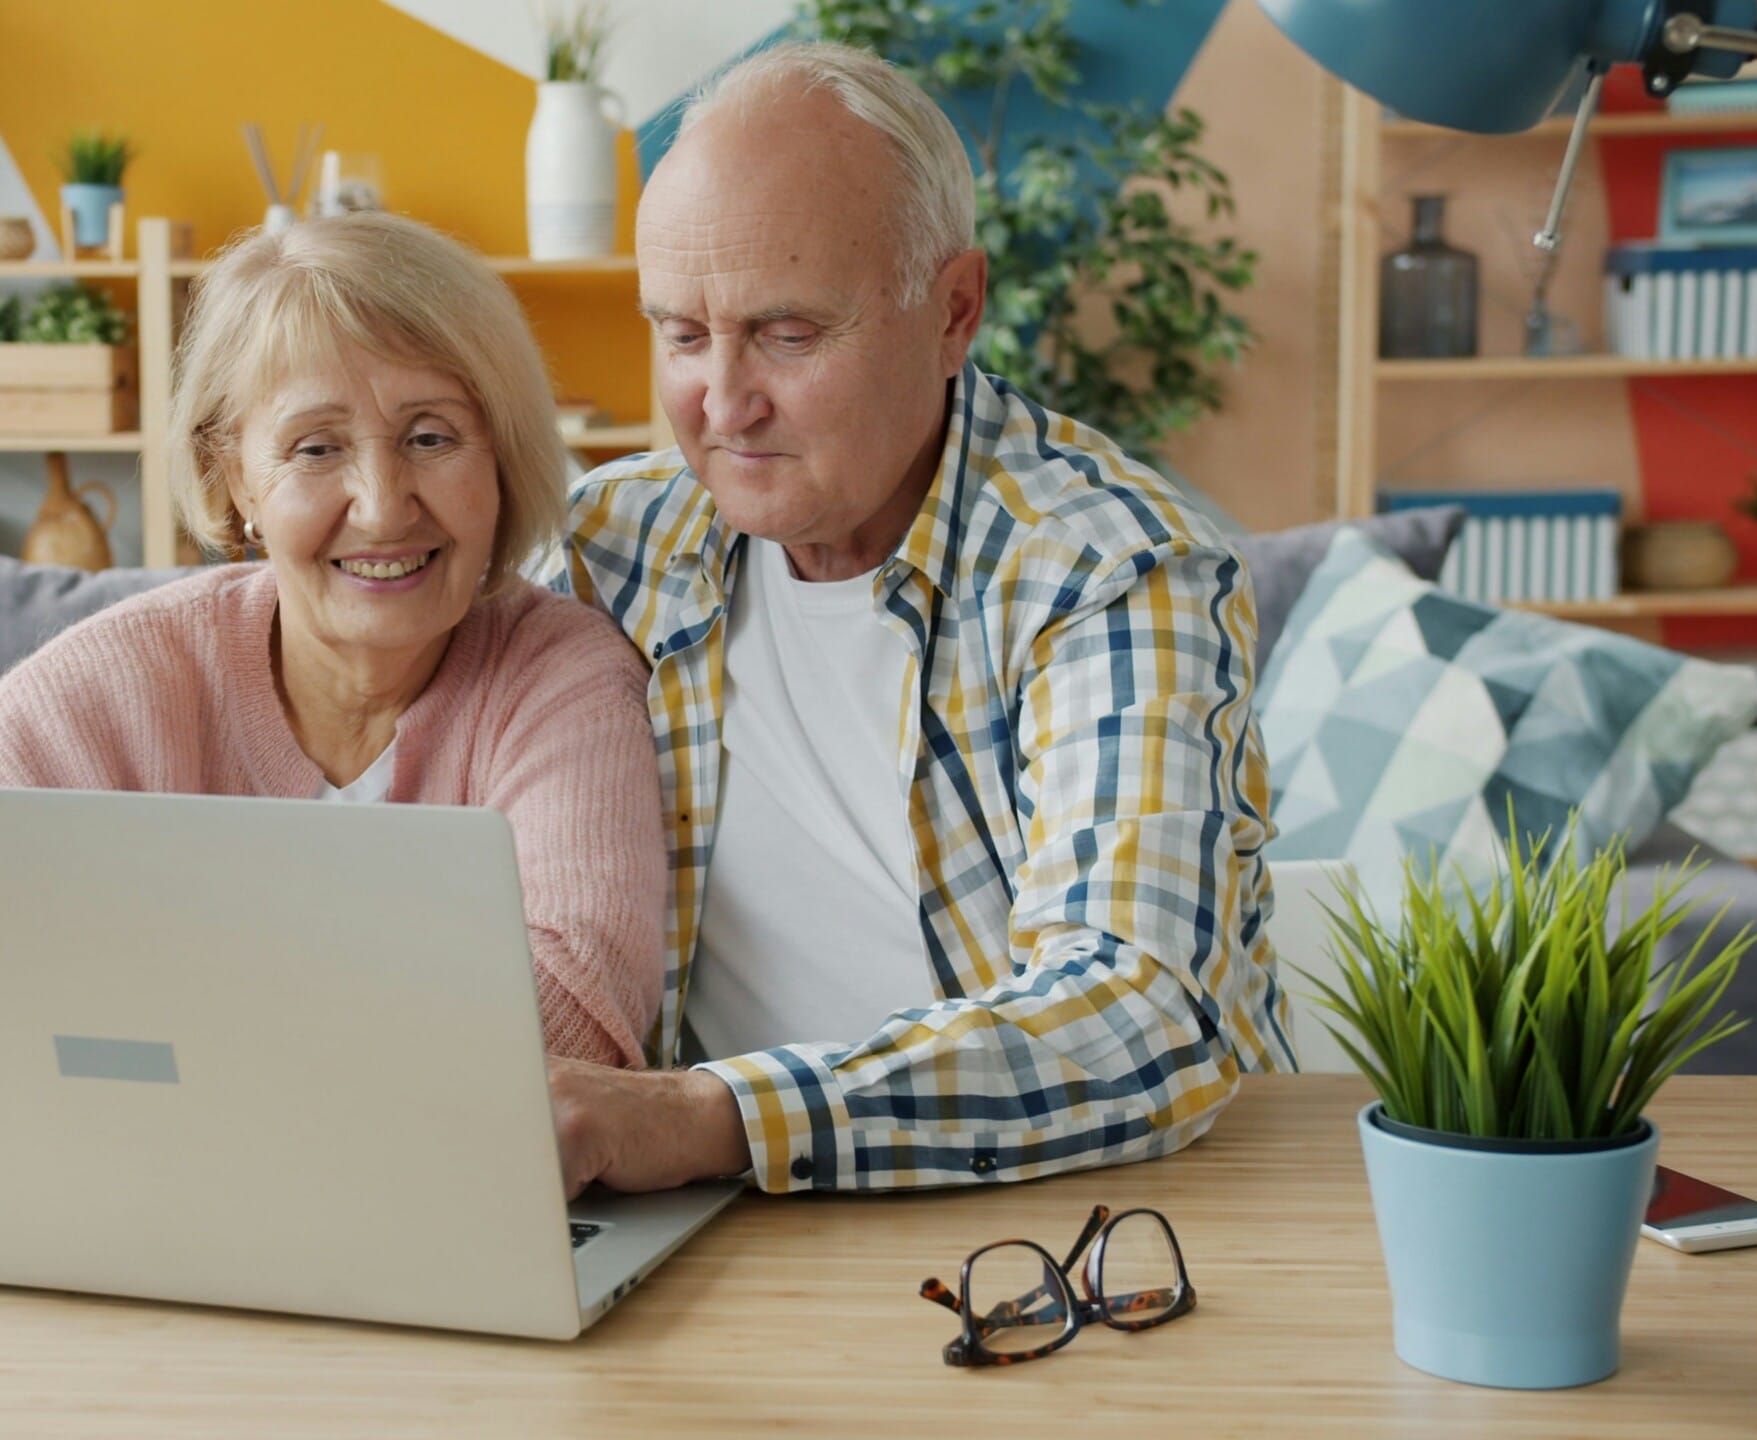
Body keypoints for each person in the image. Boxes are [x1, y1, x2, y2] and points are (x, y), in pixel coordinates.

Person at [542, 42, 1291, 1197]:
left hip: (1099, 1225)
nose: (722, 404)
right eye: (682, 335)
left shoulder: (1110, 568)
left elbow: (1143, 1016)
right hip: (718, 1234)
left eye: (788, 334)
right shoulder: (613, 548)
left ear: (952, 312)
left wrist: (711, 1114)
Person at [0, 212, 666, 1069]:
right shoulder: (122, 676)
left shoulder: (562, 678)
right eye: (316, 448)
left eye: (431, 437)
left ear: (502, 460)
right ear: (232, 474)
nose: (384, 506)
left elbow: (574, 1020)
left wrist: (166, 1021)